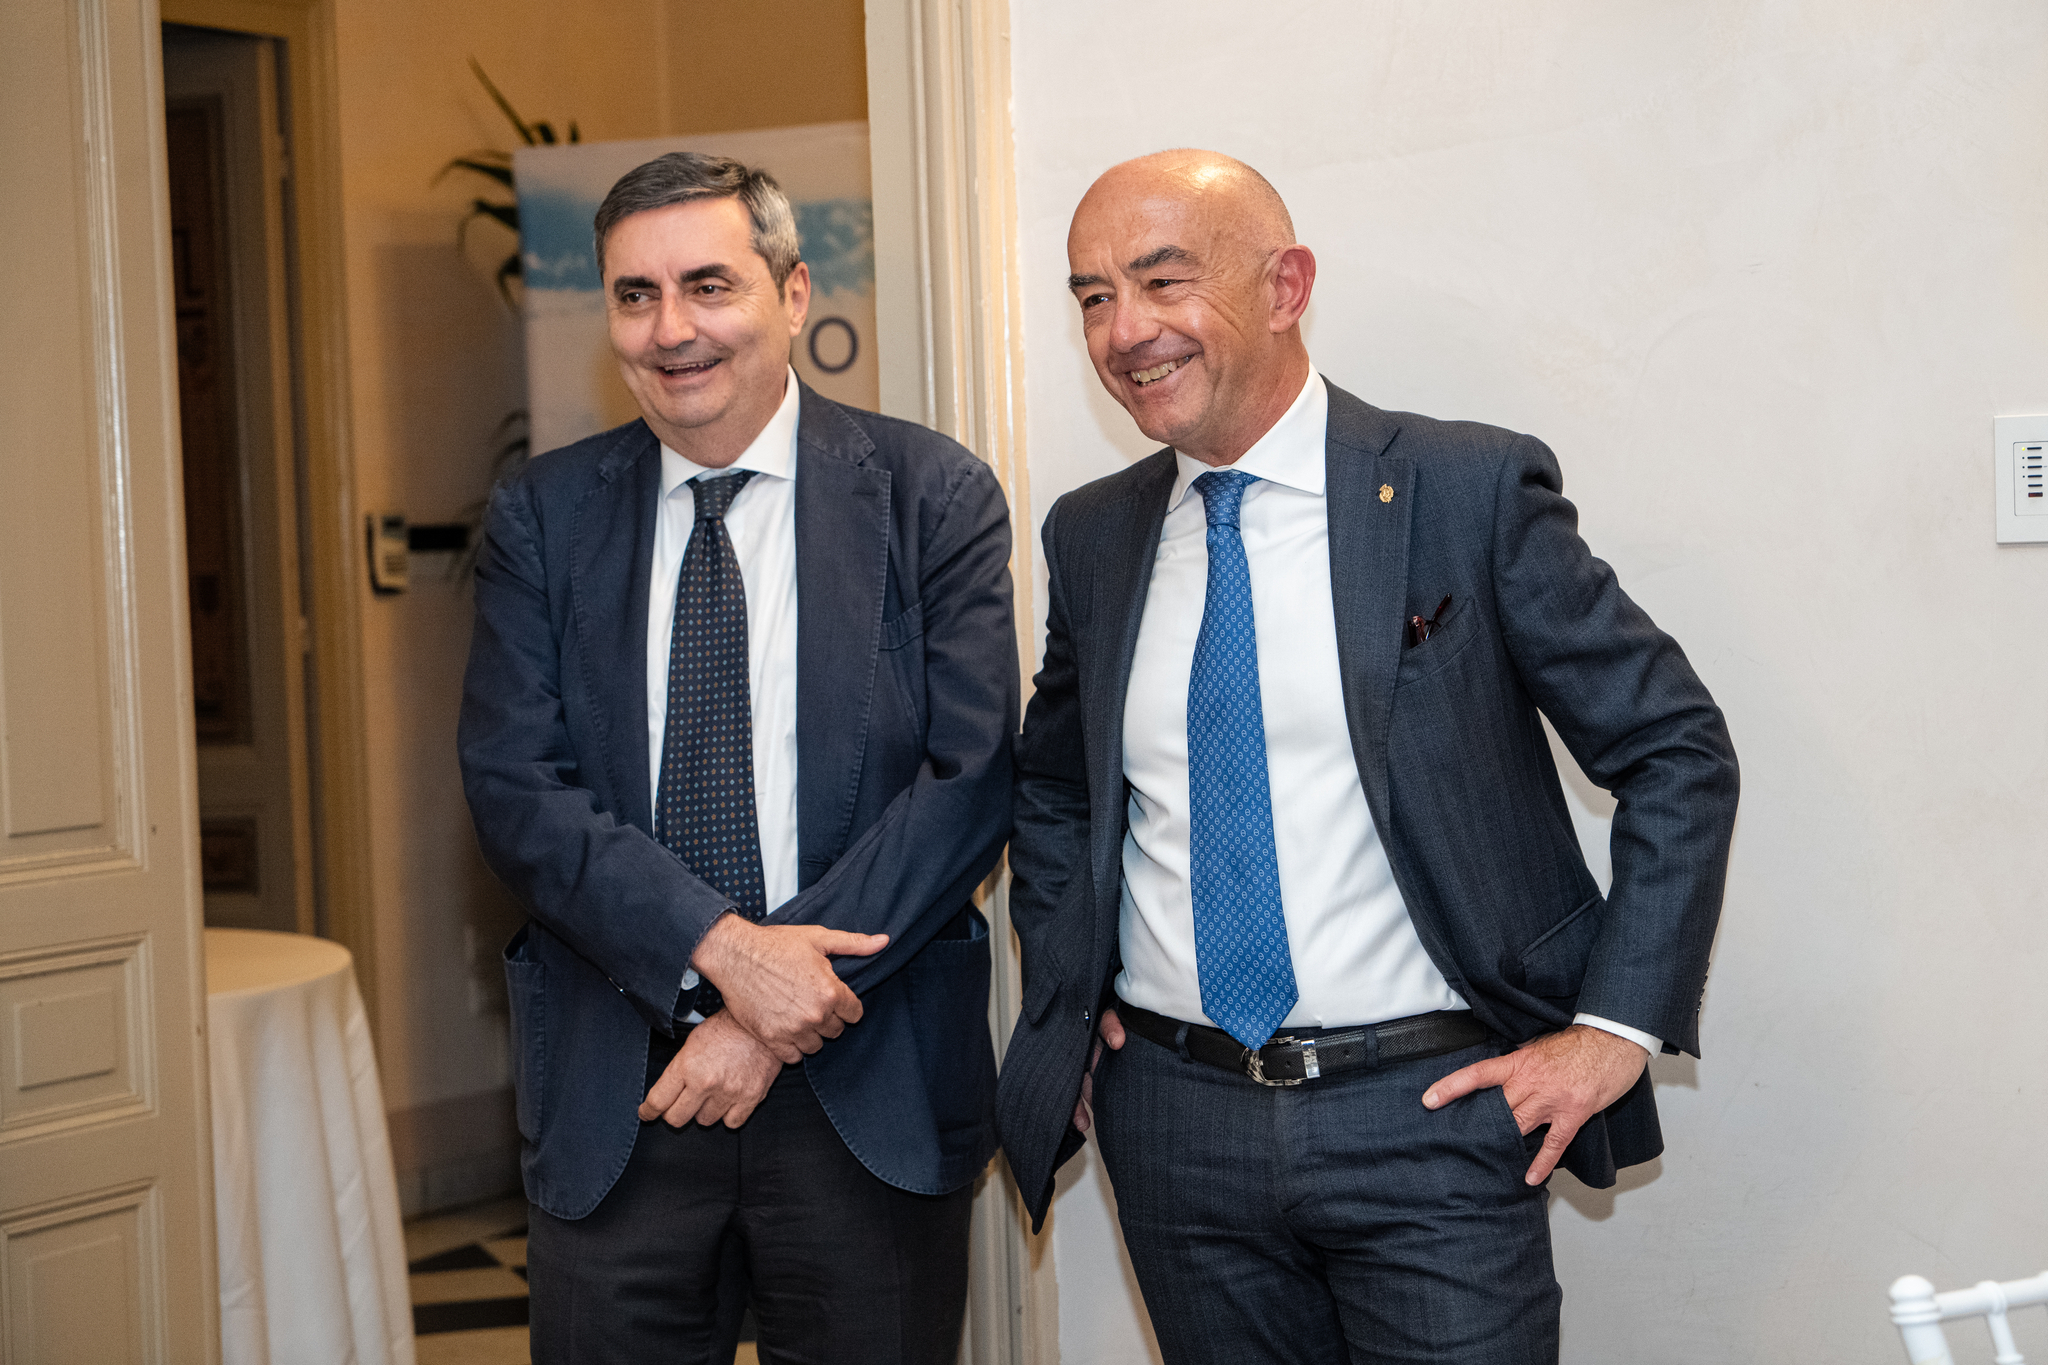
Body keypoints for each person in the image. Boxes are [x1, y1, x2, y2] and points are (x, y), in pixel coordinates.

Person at [996, 149, 1739, 1364]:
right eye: (1091, 296)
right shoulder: (1093, 533)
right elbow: (1057, 790)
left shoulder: (1462, 489)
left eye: (1162, 281)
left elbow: (1674, 749)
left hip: (1429, 1116)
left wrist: (1615, 1027)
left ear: (1284, 286)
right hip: (1177, 1127)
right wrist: (1069, 994)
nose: (1123, 331)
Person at [459, 151, 1016, 1365]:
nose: (672, 330)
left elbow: (967, 781)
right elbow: (515, 790)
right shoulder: (543, 517)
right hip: (623, 1096)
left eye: (708, 285)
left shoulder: (929, 496)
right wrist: (719, 951)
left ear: (792, 293)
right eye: (636, 295)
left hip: (867, 1086)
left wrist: (765, 1015)